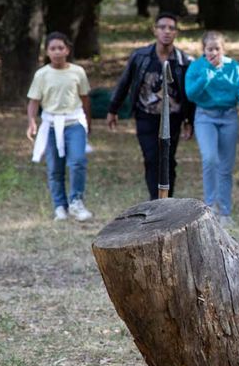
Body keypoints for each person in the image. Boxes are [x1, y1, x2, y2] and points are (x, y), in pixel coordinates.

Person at [107, 12, 193, 200]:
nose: (166, 32)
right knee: (152, 158)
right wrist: (113, 109)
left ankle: (167, 200)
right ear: (154, 30)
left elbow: (189, 93)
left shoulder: (183, 61)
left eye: (171, 28)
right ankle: (156, 202)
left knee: (168, 160)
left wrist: (189, 120)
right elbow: (125, 82)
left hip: (173, 118)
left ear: (176, 33)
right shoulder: (140, 57)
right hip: (146, 115)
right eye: (162, 27)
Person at [184, 31, 239, 226]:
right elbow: (190, 94)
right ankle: (209, 207)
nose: (213, 53)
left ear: (223, 50)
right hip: (205, 116)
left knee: (225, 166)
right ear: (203, 50)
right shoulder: (197, 67)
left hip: (229, 117)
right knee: (210, 158)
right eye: (209, 49)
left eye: (217, 49)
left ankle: (224, 211)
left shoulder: (233, 67)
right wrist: (207, 75)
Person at [27, 32, 93, 222]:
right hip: (50, 125)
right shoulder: (42, 74)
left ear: (67, 50)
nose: (57, 52)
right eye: (52, 48)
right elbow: (33, 101)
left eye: (60, 48)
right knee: (55, 168)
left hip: (74, 123)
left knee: (77, 162)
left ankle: (76, 202)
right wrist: (32, 122)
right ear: (47, 52)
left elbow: (85, 98)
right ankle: (59, 206)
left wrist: (88, 122)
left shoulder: (77, 72)